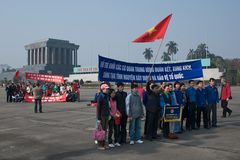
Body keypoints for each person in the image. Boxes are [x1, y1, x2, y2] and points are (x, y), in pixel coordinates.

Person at [97, 83, 110, 150]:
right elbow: (98, 109)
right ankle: (100, 145)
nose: (108, 90)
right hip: (102, 116)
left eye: (108, 89)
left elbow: (108, 106)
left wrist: (109, 114)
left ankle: (104, 144)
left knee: (105, 131)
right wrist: (98, 118)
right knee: (101, 131)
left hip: (106, 115)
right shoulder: (100, 97)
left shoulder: (106, 96)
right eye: (106, 89)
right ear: (103, 89)